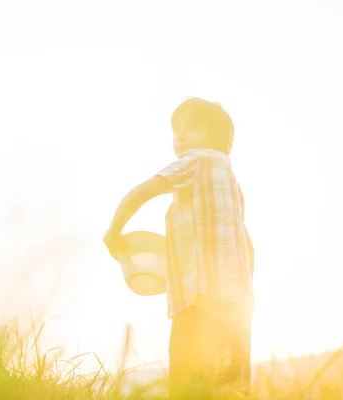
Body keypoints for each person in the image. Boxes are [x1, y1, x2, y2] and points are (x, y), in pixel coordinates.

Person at [103, 97, 255, 398]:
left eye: (187, 129)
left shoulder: (194, 163)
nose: (178, 138)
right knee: (230, 389)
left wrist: (113, 231)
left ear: (212, 135)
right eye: (175, 131)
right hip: (237, 308)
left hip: (196, 302)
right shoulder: (232, 183)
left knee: (187, 388)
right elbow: (247, 247)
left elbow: (141, 192)